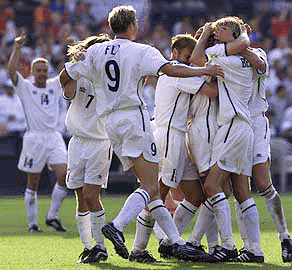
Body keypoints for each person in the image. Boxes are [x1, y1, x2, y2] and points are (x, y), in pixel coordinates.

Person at [59, 5, 224, 262]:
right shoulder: (141, 50)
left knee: (152, 192)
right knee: (150, 185)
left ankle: (176, 243)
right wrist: (205, 70)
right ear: (133, 25)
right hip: (134, 119)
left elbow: (65, 75)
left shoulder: (94, 51)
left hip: (110, 124)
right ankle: (117, 225)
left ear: (112, 26)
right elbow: (171, 69)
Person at [129, 33, 218, 263]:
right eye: (187, 56)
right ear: (175, 54)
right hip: (169, 136)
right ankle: (140, 248)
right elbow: (211, 92)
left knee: (196, 194)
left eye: (191, 57)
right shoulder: (177, 71)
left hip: (176, 135)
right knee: (158, 192)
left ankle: (170, 241)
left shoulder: (180, 72)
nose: (189, 61)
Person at [189, 17, 263, 262]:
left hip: (232, 127)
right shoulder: (246, 56)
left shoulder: (227, 59)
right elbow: (247, 49)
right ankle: (255, 249)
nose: (216, 33)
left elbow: (196, 61)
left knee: (211, 186)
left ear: (232, 34)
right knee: (241, 190)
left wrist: (204, 34)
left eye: (221, 30)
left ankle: (227, 246)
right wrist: (234, 36)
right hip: (243, 128)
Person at [239, 46, 292, 263]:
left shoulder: (257, 51)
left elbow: (261, 66)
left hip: (256, 121)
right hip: (234, 123)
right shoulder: (223, 54)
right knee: (240, 185)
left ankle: (284, 236)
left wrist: (241, 45)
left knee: (263, 182)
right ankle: (249, 246)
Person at [8, 33, 68, 233]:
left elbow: (69, 72)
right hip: (34, 138)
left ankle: (52, 216)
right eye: (38, 70)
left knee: (64, 174)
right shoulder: (24, 87)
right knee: (33, 182)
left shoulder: (54, 85)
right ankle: (32, 223)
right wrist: (16, 49)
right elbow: (11, 71)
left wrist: (73, 51)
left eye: (44, 70)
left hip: (53, 136)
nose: (42, 73)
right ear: (32, 71)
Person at [63, 34, 113, 263]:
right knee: (80, 197)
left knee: (92, 195)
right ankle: (87, 246)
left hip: (99, 141)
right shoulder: (78, 72)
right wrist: (76, 63)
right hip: (77, 142)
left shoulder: (110, 77)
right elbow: (67, 89)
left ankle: (101, 247)